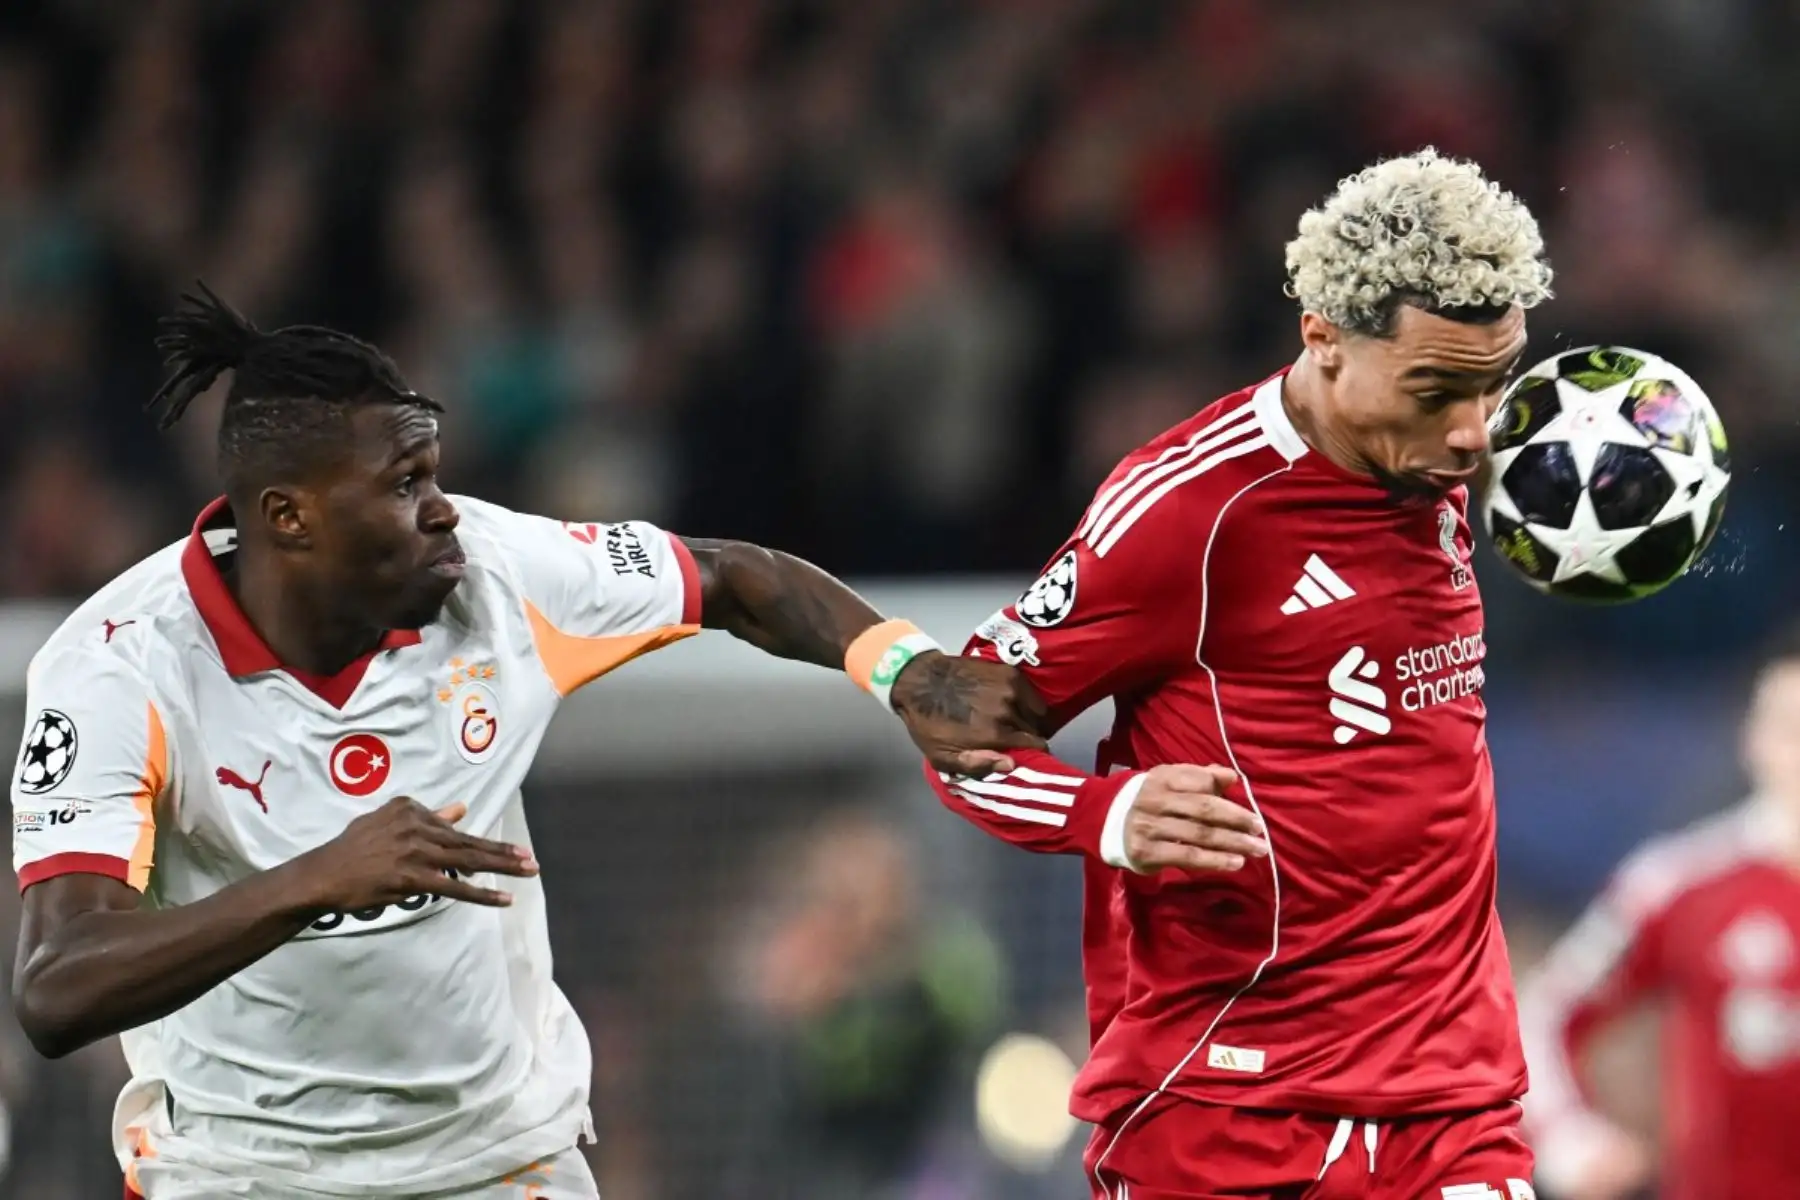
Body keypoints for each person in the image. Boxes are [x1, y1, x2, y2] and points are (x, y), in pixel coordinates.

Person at [7, 285, 1041, 1200]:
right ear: (289, 517)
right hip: (236, 1172)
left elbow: (732, 576)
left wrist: (906, 670)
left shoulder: (497, 578)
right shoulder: (118, 669)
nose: (443, 511)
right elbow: (57, 986)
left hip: (497, 1161)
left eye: (435, 472)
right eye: (405, 484)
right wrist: (314, 880)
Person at [915, 148, 1552, 1199]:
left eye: (1496, 381)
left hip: (1448, 1103)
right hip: (1226, 1108)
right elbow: (954, 716)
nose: (1475, 432)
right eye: (1438, 388)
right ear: (1325, 340)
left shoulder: (1439, 458)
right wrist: (1103, 815)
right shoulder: (1190, 515)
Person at [1517, 621, 1800, 1200]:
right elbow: (1544, 1012)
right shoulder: (1682, 882)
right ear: (1753, 742)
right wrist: (1568, 1137)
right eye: (1793, 730)